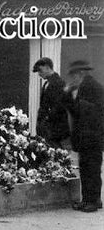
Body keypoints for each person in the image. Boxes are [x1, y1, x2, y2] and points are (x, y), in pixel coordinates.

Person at [63, 60, 104, 212]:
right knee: (87, 168)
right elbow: (76, 111)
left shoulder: (91, 87)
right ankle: (89, 199)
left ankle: (92, 201)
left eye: (73, 75)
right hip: (87, 136)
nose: (71, 79)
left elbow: (86, 111)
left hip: (91, 136)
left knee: (91, 169)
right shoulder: (85, 86)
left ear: (80, 74)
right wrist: (68, 94)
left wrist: (69, 94)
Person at [32, 57, 70, 146]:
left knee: (55, 152)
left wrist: (46, 120)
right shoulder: (47, 83)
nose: (39, 74)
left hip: (54, 128)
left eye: (40, 71)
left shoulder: (59, 83)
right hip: (47, 128)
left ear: (47, 67)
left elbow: (59, 107)